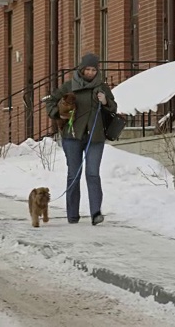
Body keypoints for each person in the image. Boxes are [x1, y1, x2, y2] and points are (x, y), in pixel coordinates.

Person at [46, 52, 118, 226]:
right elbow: (50, 102)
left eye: (94, 69)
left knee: (92, 174)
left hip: (95, 136)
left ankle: (96, 213)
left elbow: (114, 107)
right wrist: (59, 115)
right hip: (72, 136)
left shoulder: (102, 87)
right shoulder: (69, 86)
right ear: (82, 69)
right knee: (74, 175)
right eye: (88, 69)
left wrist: (105, 101)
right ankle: (72, 215)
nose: (91, 72)